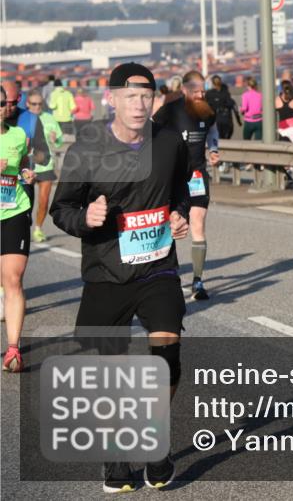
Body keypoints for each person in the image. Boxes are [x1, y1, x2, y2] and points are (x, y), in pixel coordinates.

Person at [51, 62, 190, 492]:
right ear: (111, 99)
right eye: (130, 96)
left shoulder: (169, 143)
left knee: (166, 348)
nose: (139, 104)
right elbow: (61, 209)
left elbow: (184, 187)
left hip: (158, 268)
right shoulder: (86, 149)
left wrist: (180, 212)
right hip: (106, 272)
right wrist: (86, 218)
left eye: (146, 96)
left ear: (156, 100)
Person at [153, 71, 219, 300]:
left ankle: (198, 282)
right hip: (173, 175)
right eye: (196, 91)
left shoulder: (207, 110)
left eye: (203, 90)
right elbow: (151, 129)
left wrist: (214, 149)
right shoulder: (171, 110)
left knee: (197, 223)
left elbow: (212, 131)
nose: (201, 94)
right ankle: (165, 275)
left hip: (197, 174)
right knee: (169, 226)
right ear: (184, 90)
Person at [1, 85, 36, 372]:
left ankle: (13, 349)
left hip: (15, 209)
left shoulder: (18, 136)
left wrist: (26, 172)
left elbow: (24, 162)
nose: (1, 109)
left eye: (3, 104)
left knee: (13, 279)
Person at [24, 90, 63, 242]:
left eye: (40, 104)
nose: (37, 107)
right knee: (27, 201)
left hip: (46, 166)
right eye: (34, 104)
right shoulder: (22, 119)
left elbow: (59, 141)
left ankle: (38, 229)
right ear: (28, 104)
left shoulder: (49, 118)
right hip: (27, 166)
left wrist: (55, 139)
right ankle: (24, 224)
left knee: (44, 200)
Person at [205, 76, 240, 141]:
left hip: (214, 120)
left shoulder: (209, 94)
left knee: (216, 140)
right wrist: (239, 121)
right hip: (226, 119)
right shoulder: (226, 94)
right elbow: (233, 106)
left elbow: (205, 107)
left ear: (212, 83)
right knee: (226, 139)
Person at [241, 76, 263, 141]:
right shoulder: (260, 95)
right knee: (258, 142)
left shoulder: (245, 95)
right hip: (259, 120)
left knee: (246, 141)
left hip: (249, 121)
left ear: (248, 85)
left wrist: (241, 110)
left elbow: (244, 108)